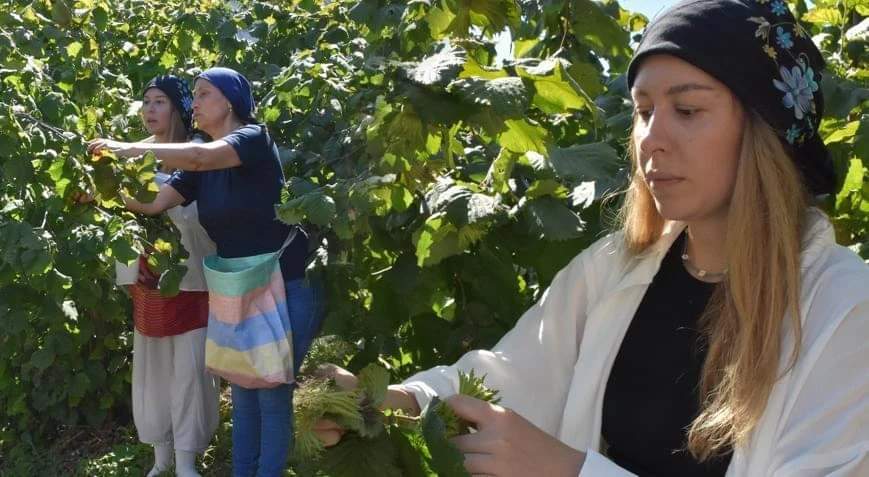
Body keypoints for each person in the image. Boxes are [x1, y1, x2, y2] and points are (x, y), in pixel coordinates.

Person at [313, 1, 869, 476]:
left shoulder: (846, 311)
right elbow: (511, 374)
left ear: (766, 130)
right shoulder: (618, 268)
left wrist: (569, 469)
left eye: (687, 109)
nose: (651, 139)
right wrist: (392, 402)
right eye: (644, 112)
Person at [89, 67, 323, 477]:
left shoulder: (252, 140)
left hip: (282, 285)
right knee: (245, 392)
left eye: (202, 94)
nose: (193, 103)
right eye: (193, 95)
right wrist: (98, 189)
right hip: (237, 288)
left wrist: (125, 148)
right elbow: (152, 205)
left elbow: (199, 155)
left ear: (229, 101)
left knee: (269, 392)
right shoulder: (199, 168)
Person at [115, 75, 220, 477]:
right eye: (145, 102)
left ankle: (188, 460)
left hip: (190, 276)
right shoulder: (133, 155)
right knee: (152, 367)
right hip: (148, 276)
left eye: (159, 101)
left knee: (190, 369)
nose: (150, 110)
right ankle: (161, 457)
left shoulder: (199, 151)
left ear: (177, 107)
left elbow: (196, 214)